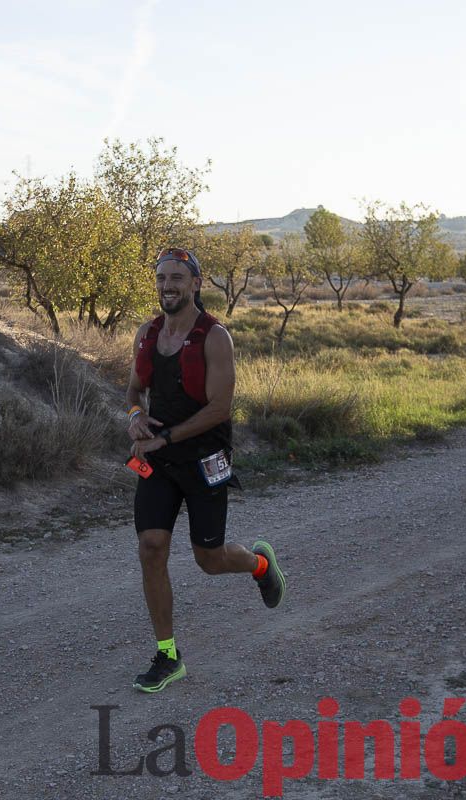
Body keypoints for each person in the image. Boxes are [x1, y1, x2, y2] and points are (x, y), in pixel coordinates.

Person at [125, 247, 286, 693]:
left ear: (196, 283)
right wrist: (134, 418)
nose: (167, 286)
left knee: (209, 561)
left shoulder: (215, 337)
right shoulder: (147, 334)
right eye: (161, 278)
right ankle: (168, 654)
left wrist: (168, 437)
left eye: (177, 278)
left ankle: (259, 564)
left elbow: (220, 408)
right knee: (151, 548)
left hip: (204, 461)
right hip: (158, 461)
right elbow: (136, 390)